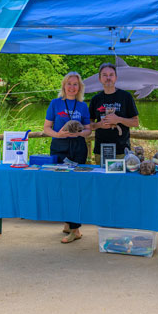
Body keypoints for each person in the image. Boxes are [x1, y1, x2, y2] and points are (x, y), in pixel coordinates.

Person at [42, 72, 91, 243]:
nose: (72, 87)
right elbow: (46, 128)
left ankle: (75, 229)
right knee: (60, 186)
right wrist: (58, 134)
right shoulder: (55, 104)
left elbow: (88, 130)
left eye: (75, 84)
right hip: (59, 147)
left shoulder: (82, 106)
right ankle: (68, 222)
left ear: (80, 87)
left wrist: (79, 133)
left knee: (74, 186)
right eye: (69, 84)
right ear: (64, 86)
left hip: (77, 148)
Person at [88, 62, 139, 164]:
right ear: (99, 79)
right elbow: (89, 125)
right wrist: (99, 124)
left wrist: (119, 119)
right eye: (104, 75)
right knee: (102, 179)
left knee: (121, 180)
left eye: (111, 75)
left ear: (116, 78)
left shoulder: (126, 97)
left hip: (122, 151)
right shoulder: (95, 99)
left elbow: (135, 123)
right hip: (101, 151)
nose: (108, 78)